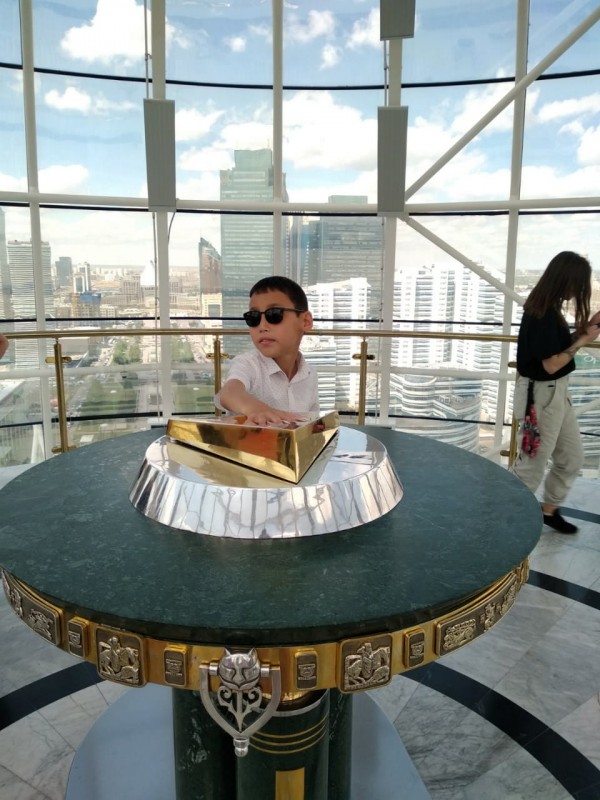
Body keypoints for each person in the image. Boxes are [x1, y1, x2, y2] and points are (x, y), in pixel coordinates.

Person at [513, 251, 600, 534]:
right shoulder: (542, 315)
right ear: (566, 280)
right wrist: (583, 340)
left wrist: (582, 333)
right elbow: (551, 365)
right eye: (579, 283)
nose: (580, 290)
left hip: (556, 394)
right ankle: (510, 519)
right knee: (532, 464)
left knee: (571, 458)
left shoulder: (549, 310)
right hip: (541, 396)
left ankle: (548, 511)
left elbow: (553, 350)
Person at [215, 276, 319, 425]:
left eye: (274, 314)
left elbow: (312, 425)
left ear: (305, 321)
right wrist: (256, 409)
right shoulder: (248, 364)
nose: (262, 326)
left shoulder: (309, 375)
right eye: (254, 317)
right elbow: (229, 392)